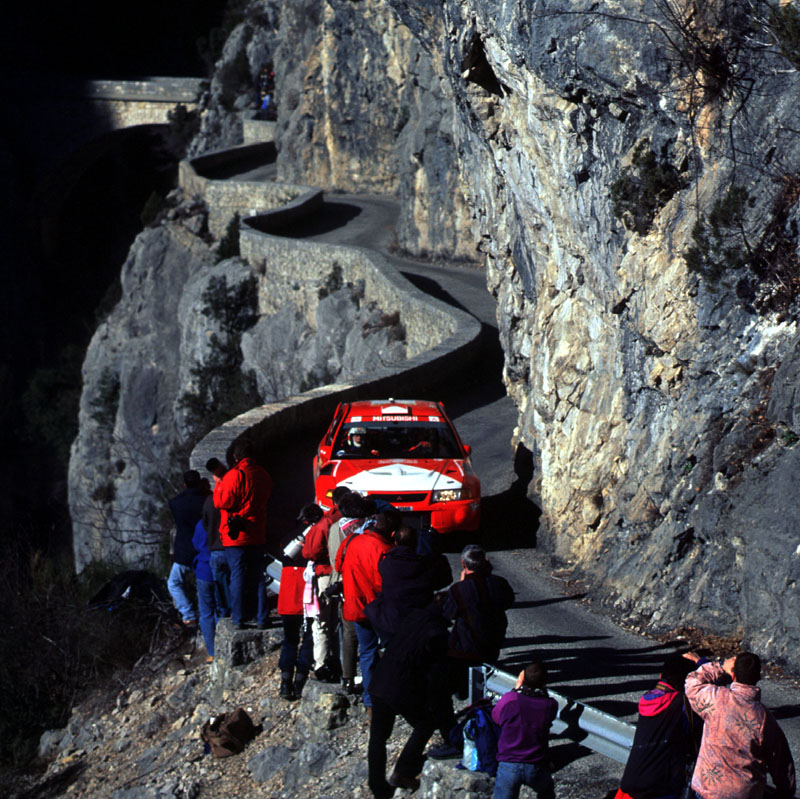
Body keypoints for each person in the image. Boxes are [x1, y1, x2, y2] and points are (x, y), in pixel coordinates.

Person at [684, 651, 796, 799]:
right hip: (744, 793)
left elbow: (692, 682)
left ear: (733, 675)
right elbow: (782, 762)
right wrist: (784, 792)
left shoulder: (716, 699)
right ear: (758, 678)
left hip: (708, 790)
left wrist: (720, 667)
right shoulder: (764, 718)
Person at [368, 607, 453, 798]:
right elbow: (435, 674)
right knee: (426, 723)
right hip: (400, 686)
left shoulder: (413, 617)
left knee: (378, 737)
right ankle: (403, 771)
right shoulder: (437, 634)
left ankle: (377, 785)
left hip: (380, 680)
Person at [615, 653, 701, 799]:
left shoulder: (647, 699)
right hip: (662, 788)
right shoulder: (684, 706)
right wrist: (702, 663)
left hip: (631, 786)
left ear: (661, 676)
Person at [335, 509, 397, 711]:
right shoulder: (383, 548)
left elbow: (338, 565)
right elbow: (384, 582)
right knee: (392, 650)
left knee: (367, 652)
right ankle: (391, 693)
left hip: (355, 605)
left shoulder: (352, 541)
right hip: (377, 607)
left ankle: (371, 700)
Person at [439, 544, 515, 696]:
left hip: (465, 646)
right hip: (493, 642)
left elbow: (448, 614)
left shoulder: (459, 589)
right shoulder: (499, 583)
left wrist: (461, 584)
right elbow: (508, 602)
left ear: (463, 564)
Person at [213, 439, 273, 629]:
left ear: (235, 457)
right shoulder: (263, 474)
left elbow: (222, 502)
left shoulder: (235, 475)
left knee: (237, 576)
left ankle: (238, 618)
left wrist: (219, 484)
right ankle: (262, 617)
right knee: (258, 576)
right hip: (257, 532)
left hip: (236, 536)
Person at [365, 525, 452, 643]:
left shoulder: (386, 564)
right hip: (419, 619)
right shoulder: (424, 566)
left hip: (392, 620)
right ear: (415, 543)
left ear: (395, 542)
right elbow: (443, 580)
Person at [491, 661, 559, 799]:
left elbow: (496, 717)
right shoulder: (550, 705)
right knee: (547, 791)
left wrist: (516, 688)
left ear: (523, 679)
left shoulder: (510, 699)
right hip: (535, 765)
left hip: (508, 764)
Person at [302, 486, 348, 682]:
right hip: (344, 574)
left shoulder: (324, 524)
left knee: (321, 623)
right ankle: (340, 664)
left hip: (325, 575)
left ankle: (321, 664)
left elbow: (309, 552)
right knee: (340, 622)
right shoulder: (345, 520)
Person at [167, 470, 207, 625]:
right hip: (204, 547)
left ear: (184, 484)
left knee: (174, 582)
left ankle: (188, 614)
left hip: (184, 550)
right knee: (205, 583)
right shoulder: (206, 500)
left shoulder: (176, 503)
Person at [204, 457, 230, 619]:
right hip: (231, 546)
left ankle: (225, 615)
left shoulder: (208, 502)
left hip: (215, 549)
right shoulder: (231, 497)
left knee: (220, 587)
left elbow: (206, 525)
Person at [191, 517, 217, 662]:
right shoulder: (223, 519)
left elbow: (195, 543)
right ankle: (221, 647)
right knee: (221, 609)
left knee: (206, 613)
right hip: (219, 570)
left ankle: (212, 651)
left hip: (203, 569)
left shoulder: (201, 524)